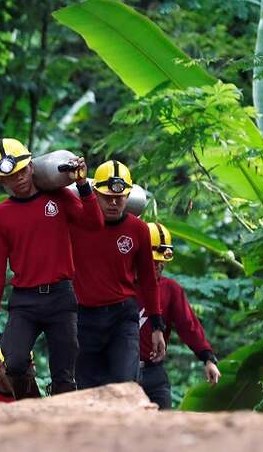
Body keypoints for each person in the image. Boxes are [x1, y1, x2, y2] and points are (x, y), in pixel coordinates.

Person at [0, 139, 102, 398]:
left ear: (32, 167)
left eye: (22, 171)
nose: (19, 179)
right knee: (13, 361)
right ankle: (33, 405)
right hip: (25, 300)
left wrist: (83, 186)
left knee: (64, 374)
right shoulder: (0, 215)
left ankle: (63, 423)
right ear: (2, 181)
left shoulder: (58, 197)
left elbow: (94, 224)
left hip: (61, 296)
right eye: (10, 176)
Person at [69, 160, 165, 389]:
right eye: (106, 197)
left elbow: (149, 281)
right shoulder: (77, 224)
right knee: (86, 387)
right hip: (84, 317)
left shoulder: (139, 230)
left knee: (126, 382)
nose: (113, 203)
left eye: (119, 198)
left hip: (122, 317)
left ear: (128, 196)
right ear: (95, 194)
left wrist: (156, 326)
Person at [137, 223, 221, 409]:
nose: (159, 265)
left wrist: (207, 358)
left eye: (162, 260)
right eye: (153, 260)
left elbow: (188, 325)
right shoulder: (119, 286)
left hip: (153, 372)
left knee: (164, 424)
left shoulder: (170, 289)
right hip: (120, 373)